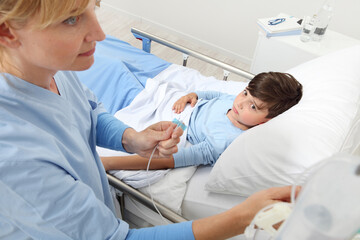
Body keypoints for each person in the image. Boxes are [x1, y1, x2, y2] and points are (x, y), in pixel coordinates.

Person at [0, 0, 298, 239]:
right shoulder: (16, 159)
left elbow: (89, 111)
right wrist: (241, 218)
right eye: (71, 19)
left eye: (94, 7)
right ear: (8, 32)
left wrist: (131, 138)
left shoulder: (53, 70)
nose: (101, 34)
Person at [101, 72, 303, 170]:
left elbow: (170, 160)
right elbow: (214, 94)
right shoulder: (232, 102)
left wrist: (108, 163)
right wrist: (192, 94)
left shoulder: (223, 142)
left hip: (176, 123)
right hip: (179, 106)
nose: (241, 103)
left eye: (253, 107)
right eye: (245, 93)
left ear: (265, 121)